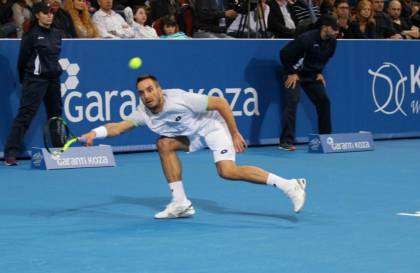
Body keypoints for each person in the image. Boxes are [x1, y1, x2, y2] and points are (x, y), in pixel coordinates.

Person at [81, 75, 307, 219]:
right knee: (164, 144)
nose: (146, 95)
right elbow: (118, 127)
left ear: (160, 90)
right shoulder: (143, 112)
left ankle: (290, 185)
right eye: (141, 92)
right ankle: (180, 203)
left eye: (150, 89)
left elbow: (220, 103)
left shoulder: (179, 98)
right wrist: (95, 133)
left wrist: (234, 132)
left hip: (212, 128)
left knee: (227, 172)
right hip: (193, 137)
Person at [3, 2, 63, 166]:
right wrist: (27, 81)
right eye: (45, 13)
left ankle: (60, 150)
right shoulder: (31, 36)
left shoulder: (57, 33)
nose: (49, 15)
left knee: (56, 116)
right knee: (25, 116)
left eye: (51, 13)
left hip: (53, 80)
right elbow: (22, 61)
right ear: (37, 15)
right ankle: (10, 153)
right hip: (35, 80)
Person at [278, 14, 338, 151]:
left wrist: (319, 72)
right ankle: (285, 142)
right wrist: (292, 72)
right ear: (324, 27)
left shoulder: (333, 42)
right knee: (293, 101)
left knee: (324, 101)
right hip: (293, 73)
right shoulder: (306, 39)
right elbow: (284, 54)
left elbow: (325, 58)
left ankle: (326, 139)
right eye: (334, 28)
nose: (337, 31)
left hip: (311, 75)